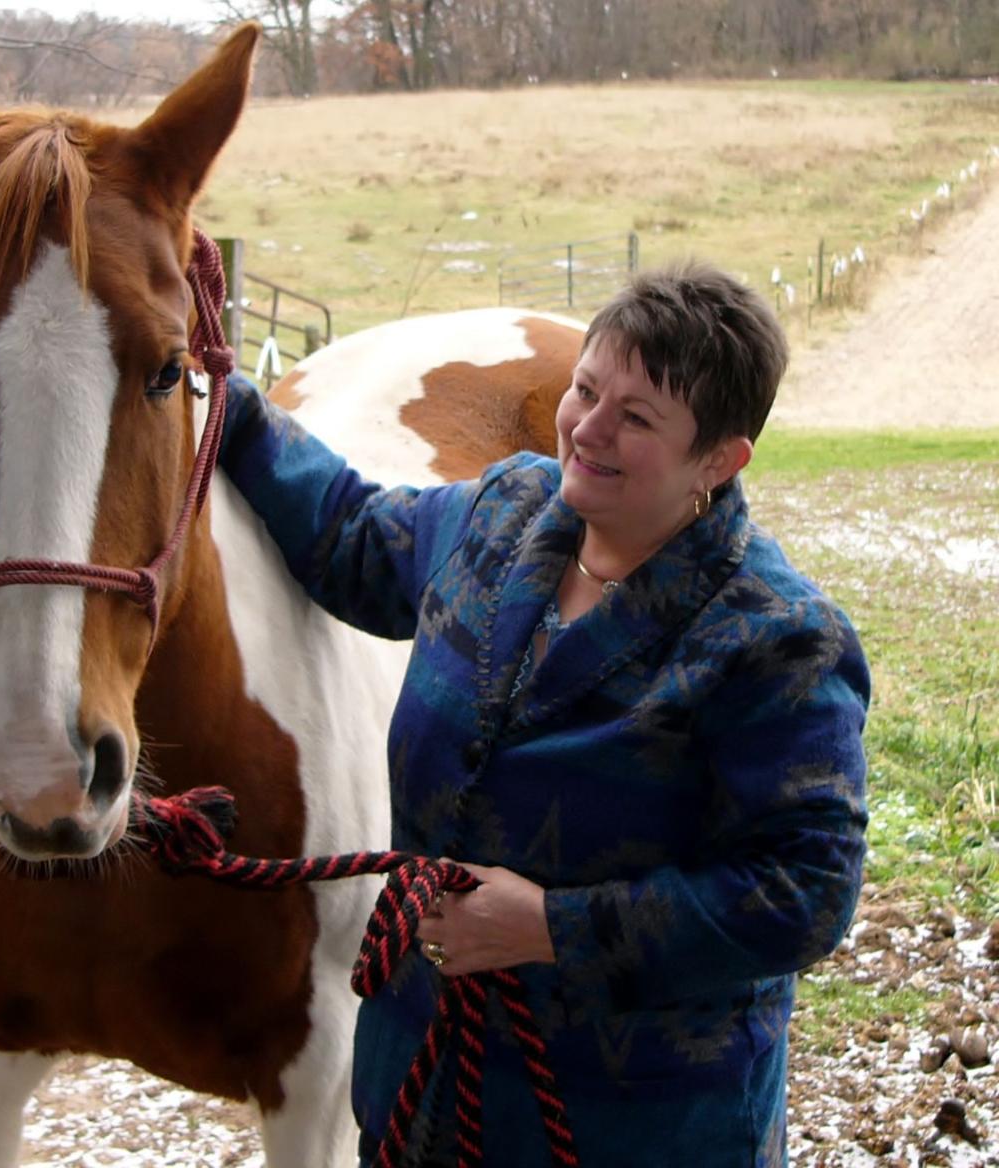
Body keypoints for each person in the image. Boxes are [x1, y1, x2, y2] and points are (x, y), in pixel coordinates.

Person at [218, 261, 869, 1167]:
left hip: (631, 1129)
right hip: (422, 1095)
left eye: (635, 417)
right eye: (587, 389)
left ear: (720, 459)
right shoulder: (504, 512)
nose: (589, 429)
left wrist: (551, 929)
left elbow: (804, 895)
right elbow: (351, 537)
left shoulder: (777, 639)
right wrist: (223, 397)